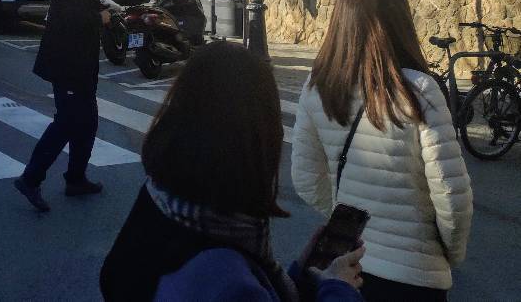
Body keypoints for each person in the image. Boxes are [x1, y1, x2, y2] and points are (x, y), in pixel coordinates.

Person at [101, 43, 363, 301]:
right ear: (257, 142)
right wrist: (339, 290)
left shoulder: (159, 203)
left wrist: (303, 277)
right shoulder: (226, 279)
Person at [292, 0, 473, 302]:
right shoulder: (419, 91)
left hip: (348, 268)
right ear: (399, 15)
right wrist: (449, 252)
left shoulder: (317, 88)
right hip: (414, 277)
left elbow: (304, 177)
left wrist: (347, 221)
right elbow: (451, 193)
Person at [14, 0, 110, 212]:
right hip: (68, 66)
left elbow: (78, 11)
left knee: (88, 121)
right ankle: (30, 178)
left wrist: (101, 7)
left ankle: (76, 179)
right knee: (67, 123)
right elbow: (71, 20)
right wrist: (98, 17)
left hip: (80, 67)